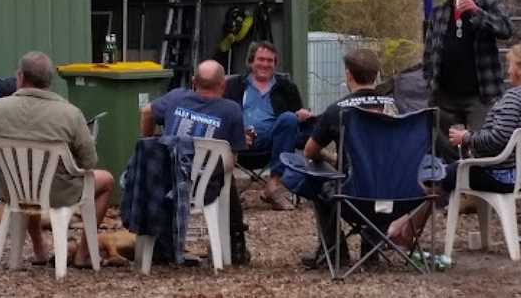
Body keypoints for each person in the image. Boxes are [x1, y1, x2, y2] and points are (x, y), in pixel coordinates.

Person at [0, 51, 114, 267]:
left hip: (15, 189)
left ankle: (39, 248)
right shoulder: (70, 113)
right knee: (106, 180)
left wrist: (3, 163)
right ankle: (84, 254)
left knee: (27, 175)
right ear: (50, 81)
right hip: (59, 192)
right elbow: (89, 162)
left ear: (20, 77)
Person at [139, 59, 250, 264]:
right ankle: (235, 246)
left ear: (193, 82)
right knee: (227, 177)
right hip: (203, 188)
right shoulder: (231, 110)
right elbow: (230, 162)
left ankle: (160, 247)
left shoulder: (175, 97)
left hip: (165, 184)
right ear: (223, 85)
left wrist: (148, 143)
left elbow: (146, 112)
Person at [299, 48, 396, 268]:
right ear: (376, 75)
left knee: (317, 180)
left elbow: (309, 152)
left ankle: (335, 251)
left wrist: (333, 159)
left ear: (349, 75)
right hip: (394, 193)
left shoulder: (337, 110)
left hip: (352, 194)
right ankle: (370, 251)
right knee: (377, 178)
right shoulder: (394, 108)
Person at [435, 44, 521, 195]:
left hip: (501, 176)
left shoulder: (515, 96)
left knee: (438, 176)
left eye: (510, 65)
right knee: (451, 172)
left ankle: (410, 218)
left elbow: (498, 138)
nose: (508, 71)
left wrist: (466, 137)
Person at [423, 0, 513, 142]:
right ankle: (455, 172)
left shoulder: (488, 4)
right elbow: (429, 51)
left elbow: (506, 30)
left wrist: (477, 12)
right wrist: (429, 82)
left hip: (480, 95)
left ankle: (477, 172)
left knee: (482, 144)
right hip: (445, 96)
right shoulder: (439, 12)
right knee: (448, 147)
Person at [224, 41, 314, 210]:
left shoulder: (286, 87)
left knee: (288, 118)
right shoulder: (234, 86)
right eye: (261, 59)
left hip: (275, 144)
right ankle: (229, 194)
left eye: (269, 60)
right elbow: (221, 116)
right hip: (239, 144)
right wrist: (236, 134)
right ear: (251, 61)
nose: (265, 64)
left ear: (275, 63)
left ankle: (272, 187)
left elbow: (297, 125)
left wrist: (301, 115)